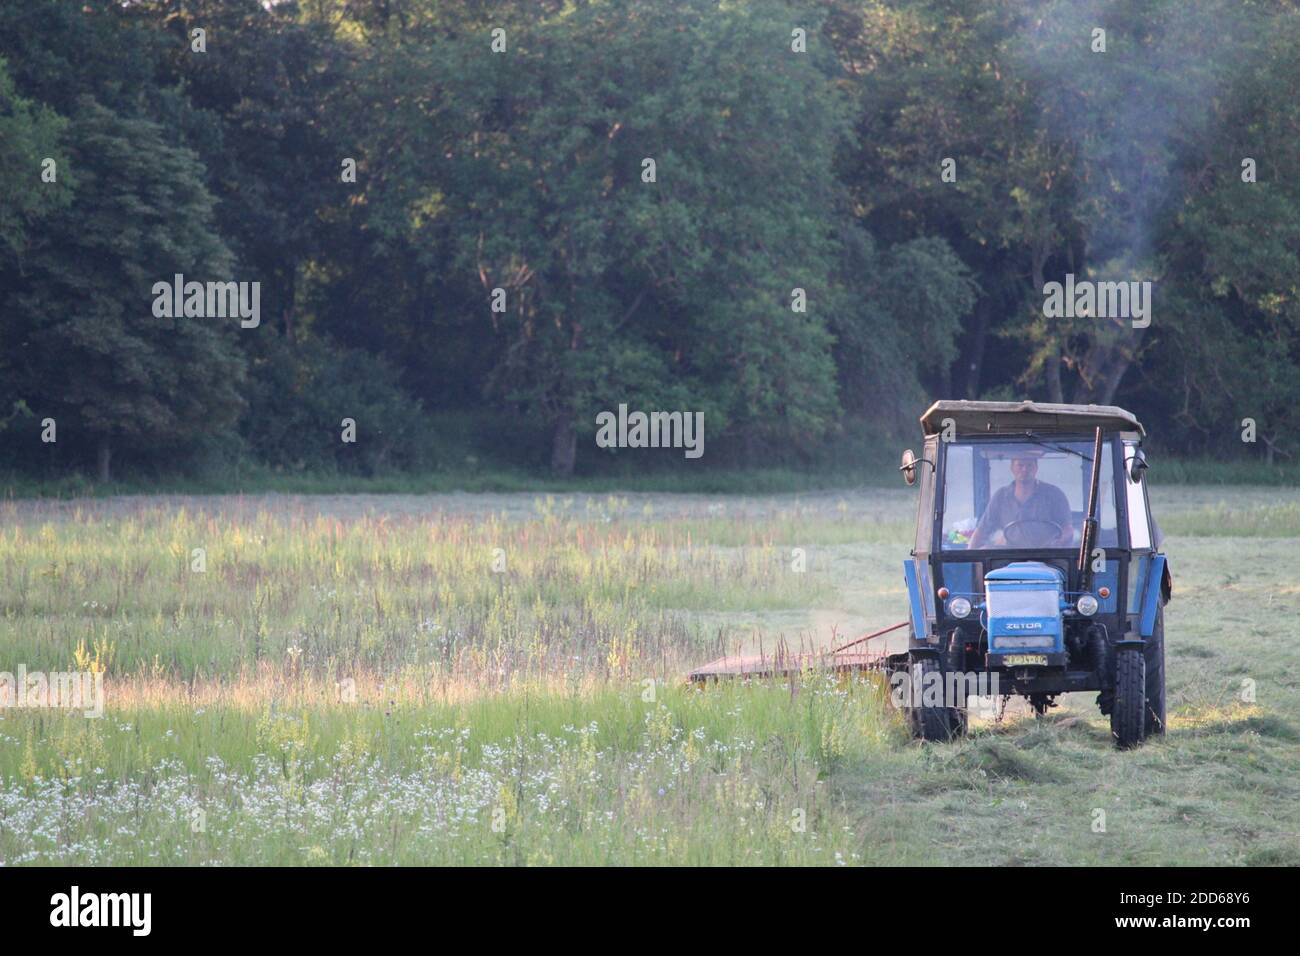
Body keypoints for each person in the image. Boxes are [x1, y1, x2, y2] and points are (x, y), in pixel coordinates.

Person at [967, 455, 1073, 548]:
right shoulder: (1001, 496)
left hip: (1047, 555)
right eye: (1020, 465)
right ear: (1012, 468)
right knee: (982, 555)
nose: (1024, 469)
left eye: (1029, 465)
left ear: (1036, 468)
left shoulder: (1054, 494)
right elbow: (982, 530)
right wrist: (969, 554)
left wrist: (1057, 543)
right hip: (1008, 555)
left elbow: (1068, 529)